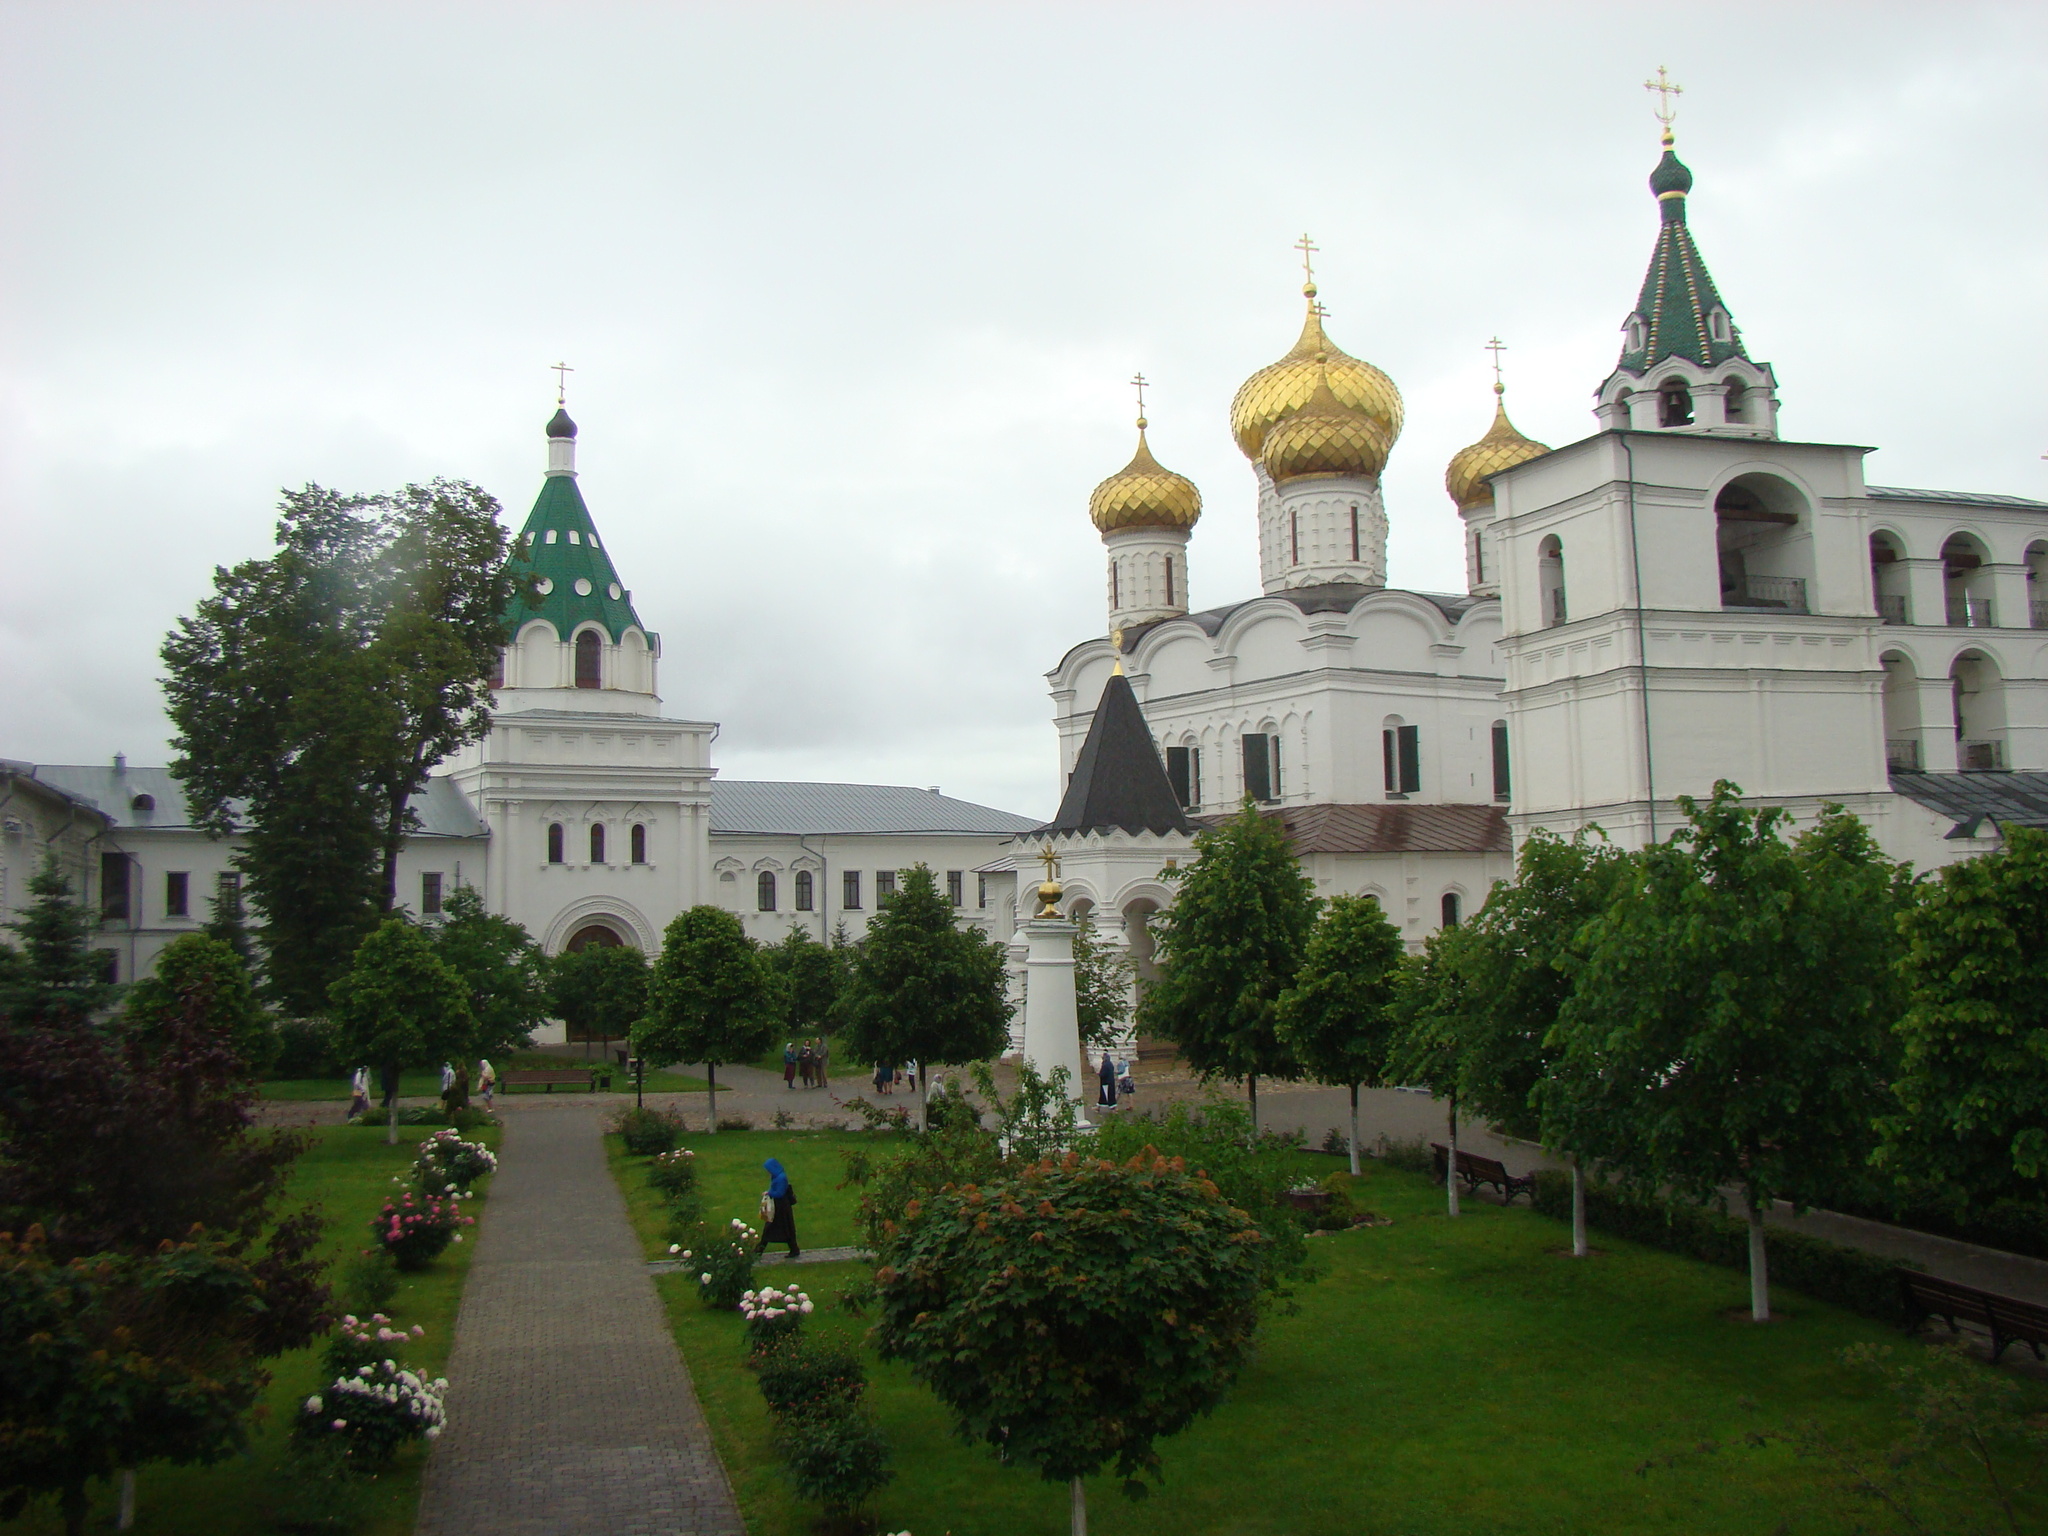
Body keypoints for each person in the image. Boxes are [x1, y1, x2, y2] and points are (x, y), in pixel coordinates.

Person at [758, 1157, 800, 1259]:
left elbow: (779, 1193)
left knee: (770, 1228)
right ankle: (794, 1248)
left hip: (780, 1207)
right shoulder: (778, 1176)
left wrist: (769, 1193)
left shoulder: (780, 1178)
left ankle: (759, 1250)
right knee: (786, 1229)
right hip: (781, 1206)